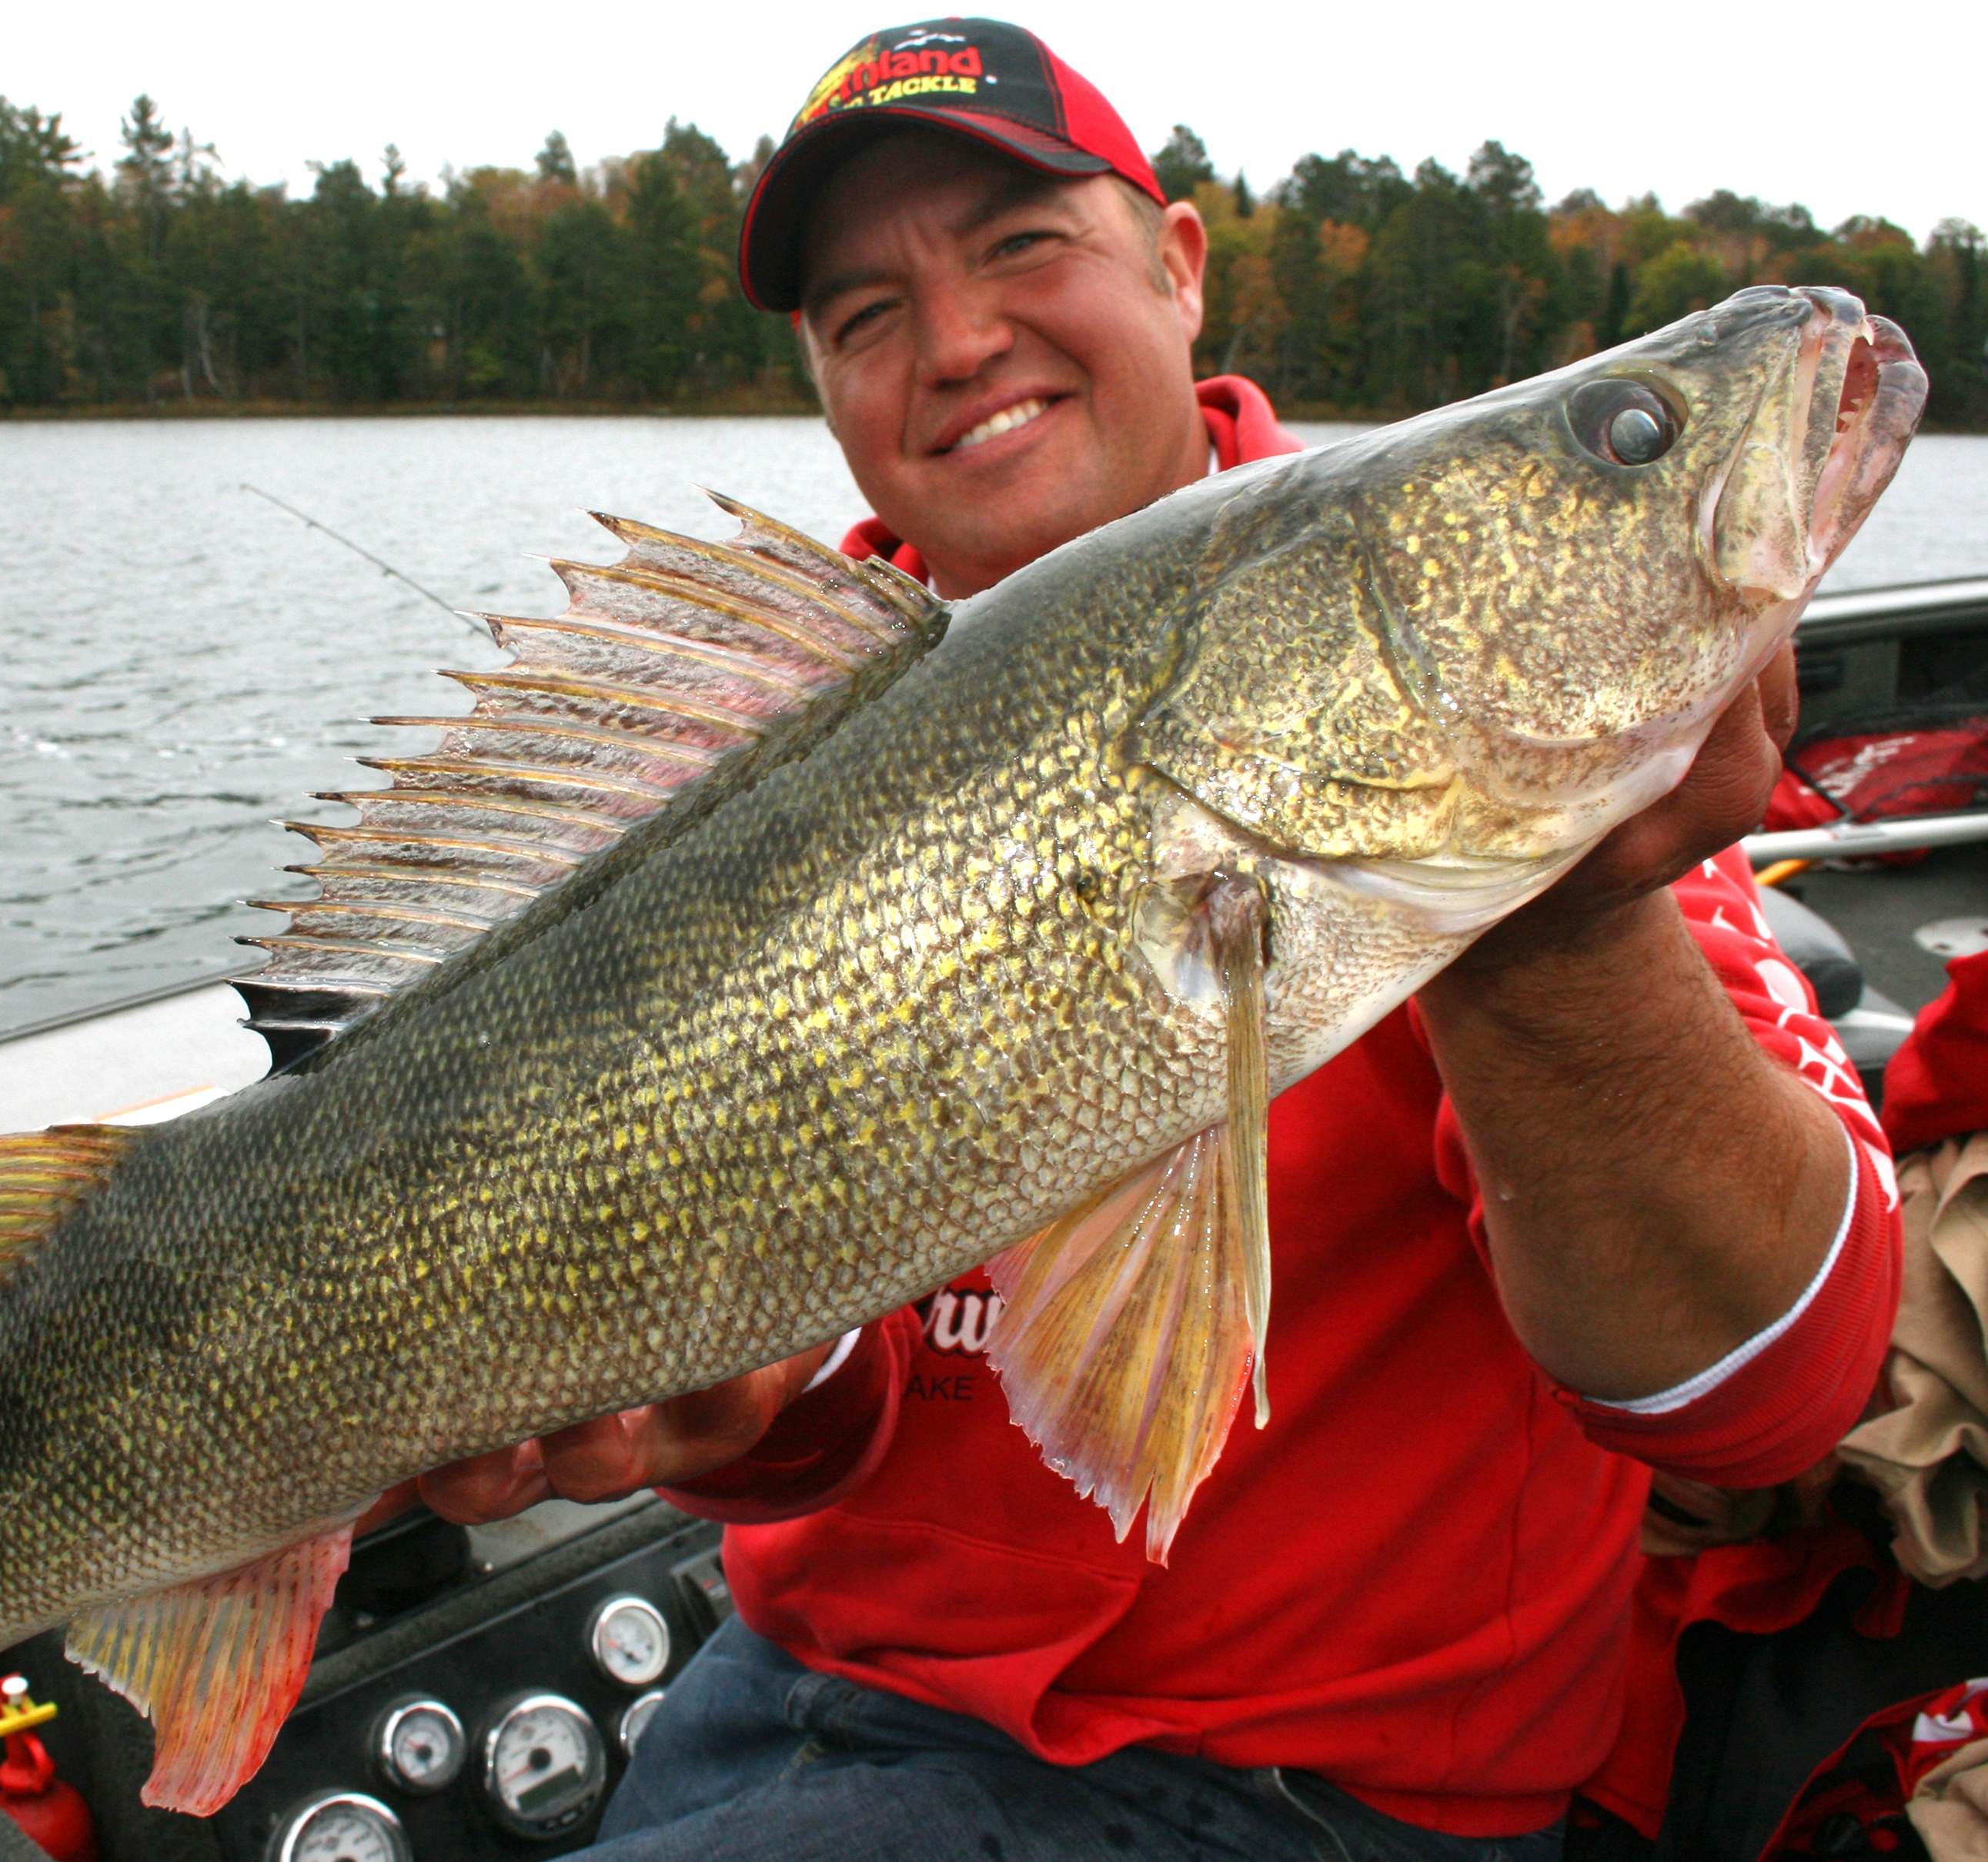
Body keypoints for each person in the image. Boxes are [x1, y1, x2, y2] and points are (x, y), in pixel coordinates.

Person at [403, 20, 1902, 1859]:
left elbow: (1771, 1398)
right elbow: (850, 1410)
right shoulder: (762, 751)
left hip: (1302, 1781)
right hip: (785, 1692)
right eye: (864, 313)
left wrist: (1557, 924)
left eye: (1023, 243)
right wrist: (747, 1404)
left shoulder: (1394, 647)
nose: (955, 342)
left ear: (1178, 264)